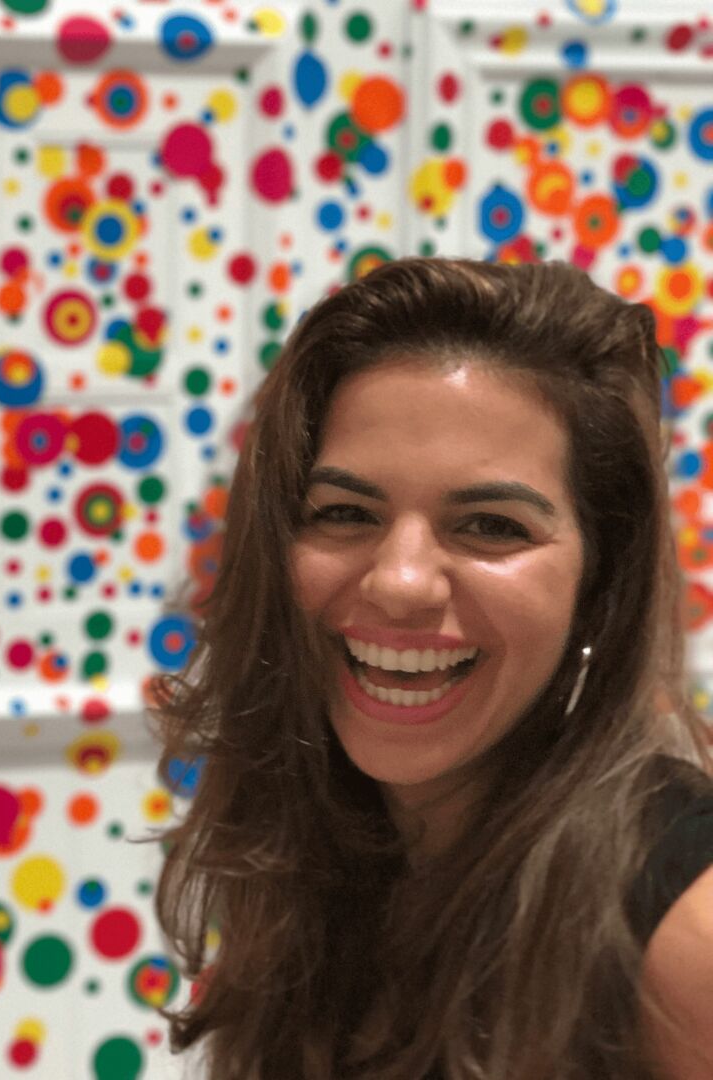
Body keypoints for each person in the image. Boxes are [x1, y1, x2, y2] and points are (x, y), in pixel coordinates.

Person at [146, 257, 713, 1079]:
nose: (399, 582)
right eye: (345, 512)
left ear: (600, 586)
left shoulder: (687, 933)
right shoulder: (321, 852)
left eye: (491, 525)